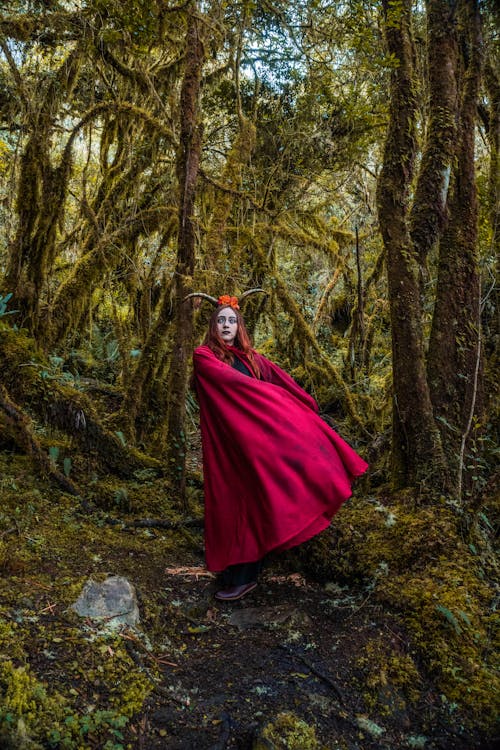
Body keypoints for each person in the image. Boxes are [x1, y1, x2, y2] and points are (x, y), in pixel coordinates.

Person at [188, 291, 368, 602]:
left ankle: (247, 575)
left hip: (258, 442)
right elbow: (235, 385)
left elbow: (282, 382)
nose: (227, 326)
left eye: (232, 321)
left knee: (263, 494)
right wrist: (274, 397)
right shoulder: (205, 355)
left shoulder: (253, 359)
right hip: (230, 444)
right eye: (221, 321)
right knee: (234, 499)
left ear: (240, 326)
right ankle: (236, 573)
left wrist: (304, 405)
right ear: (213, 326)